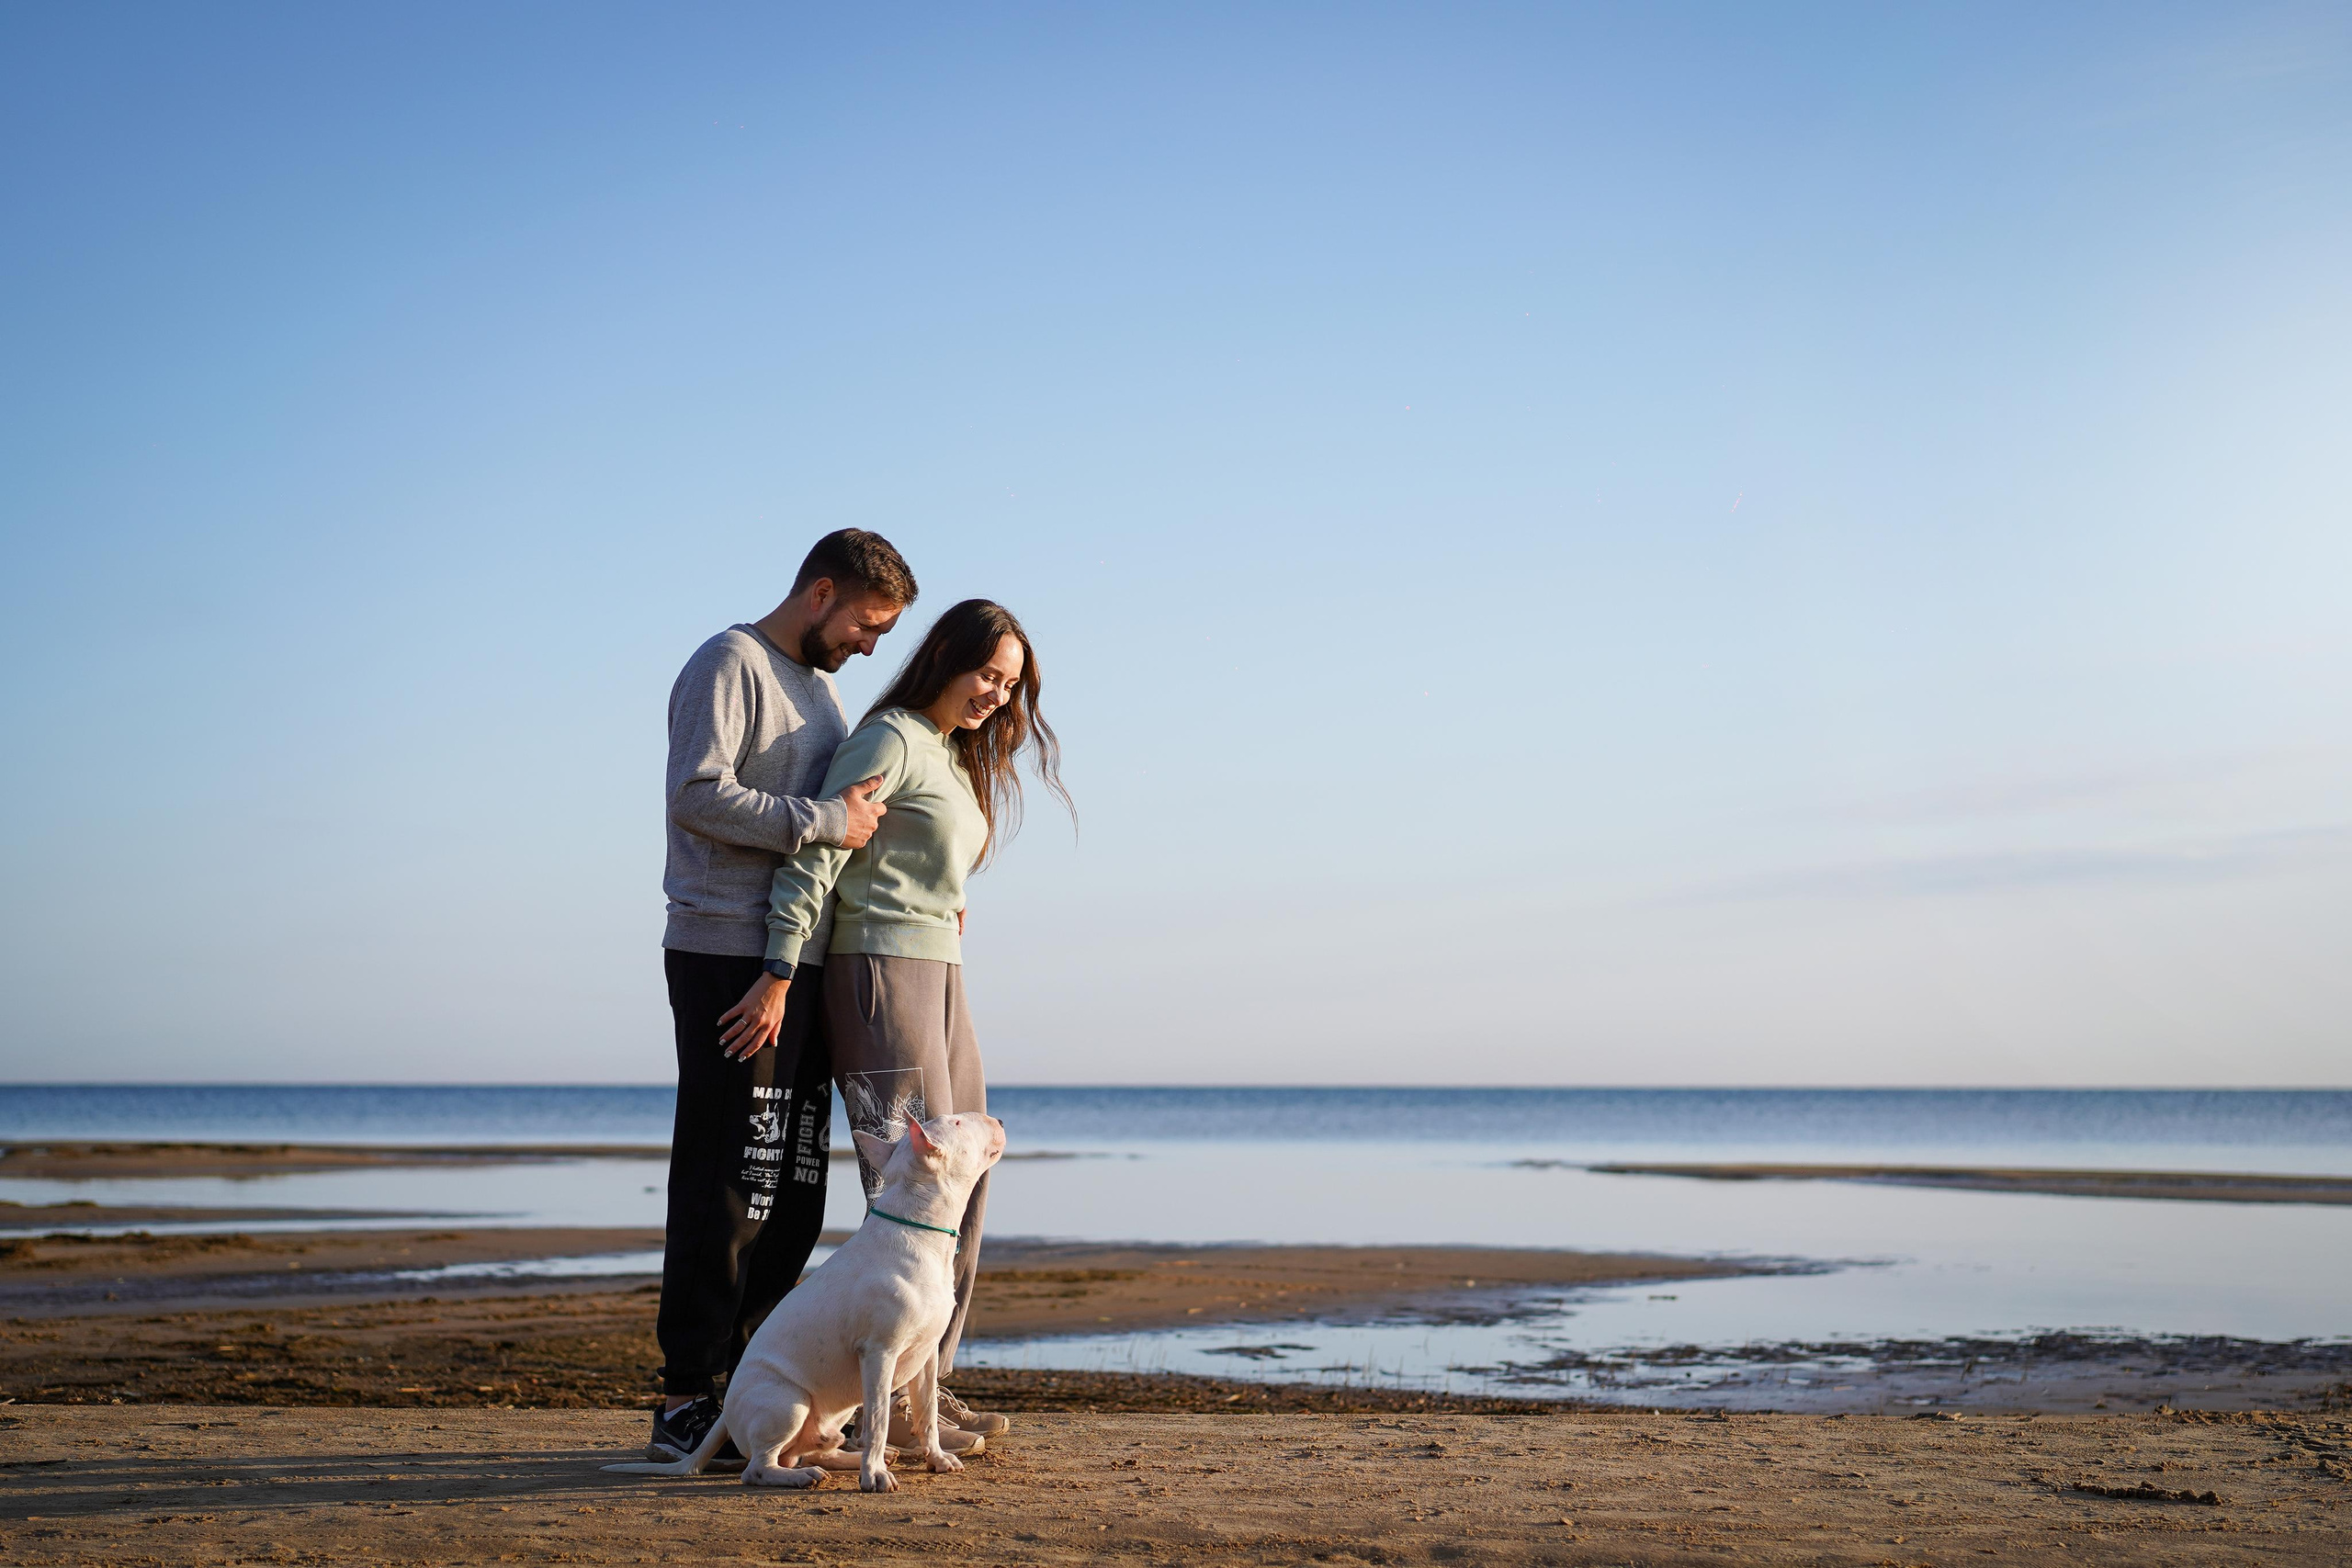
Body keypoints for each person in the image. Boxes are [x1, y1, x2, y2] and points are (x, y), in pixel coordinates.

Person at [718, 598, 1070, 1447]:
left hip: (939, 972)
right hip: (876, 970)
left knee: (972, 1168)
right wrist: (776, 967)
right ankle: (905, 1411)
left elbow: (922, 864)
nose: (997, 694)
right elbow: (820, 853)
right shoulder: (890, 738)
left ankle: (927, 1382)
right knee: (910, 1181)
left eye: (1010, 684)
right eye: (988, 673)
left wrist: (947, 911)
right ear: (946, 655)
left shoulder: (951, 756)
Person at [647, 528, 920, 1465]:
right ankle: (686, 1394)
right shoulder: (732, 662)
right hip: (727, 954)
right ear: (820, 592)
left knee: (793, 1186)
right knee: (731, 1178)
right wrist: (823, 822)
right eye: (868, 623)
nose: (871, 644)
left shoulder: (824, 691)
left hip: (792, 958)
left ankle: (749, 1384)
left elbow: (845, 838)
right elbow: (696, 795)